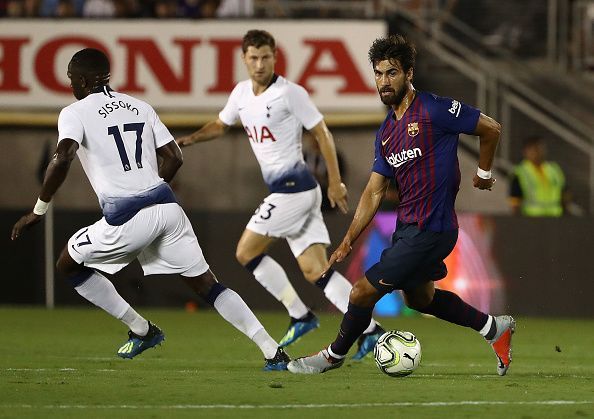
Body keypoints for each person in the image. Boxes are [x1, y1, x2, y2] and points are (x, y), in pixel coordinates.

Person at [10, 48, 289, 371]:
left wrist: (38, 210)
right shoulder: (140, 106)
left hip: (126, 218)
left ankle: (142, 329)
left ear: (83, 80)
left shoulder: (74, 112)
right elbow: (174, 158)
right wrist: (149, 191)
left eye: (72, 79)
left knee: (68, 264)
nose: (71, 85)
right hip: (168, 209)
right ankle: (272, 351)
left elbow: (62, 157)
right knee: (207, 284)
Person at [287, 34, 516, 376]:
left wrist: (483, 173)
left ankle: (332, 356)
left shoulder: (435, 109)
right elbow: (374, 191)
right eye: (378, 74)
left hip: (432, 229)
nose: (383, 81)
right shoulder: (386, 132)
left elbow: (491, 128)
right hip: (408, 229)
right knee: (420, 299)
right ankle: (493, 328)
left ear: (409, 73)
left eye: (391, 73)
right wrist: (349, 239)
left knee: (362, 292)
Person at [177, 29, 384, 359]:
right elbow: (220, 124)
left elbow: (322, 132)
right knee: (317, 271)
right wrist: (189, 139)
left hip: (294, 190)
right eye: (254, 57)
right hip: (293, 192)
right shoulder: (242, 93)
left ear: (275, 57)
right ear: (244, 59)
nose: (260, 64)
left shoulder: (291, 93)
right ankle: (371, 330)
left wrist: (335, 180)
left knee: (245, 252)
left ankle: (300, 314)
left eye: (266, 57)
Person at [508, 135, 570, 217]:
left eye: (541, 148)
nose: (539, 152)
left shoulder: (554, 169)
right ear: (525, 151)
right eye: (535, 149)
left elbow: (564, 193)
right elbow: (515, 201)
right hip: (532, 219)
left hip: (555, 217)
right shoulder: (519, 172)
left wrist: (566, 214)